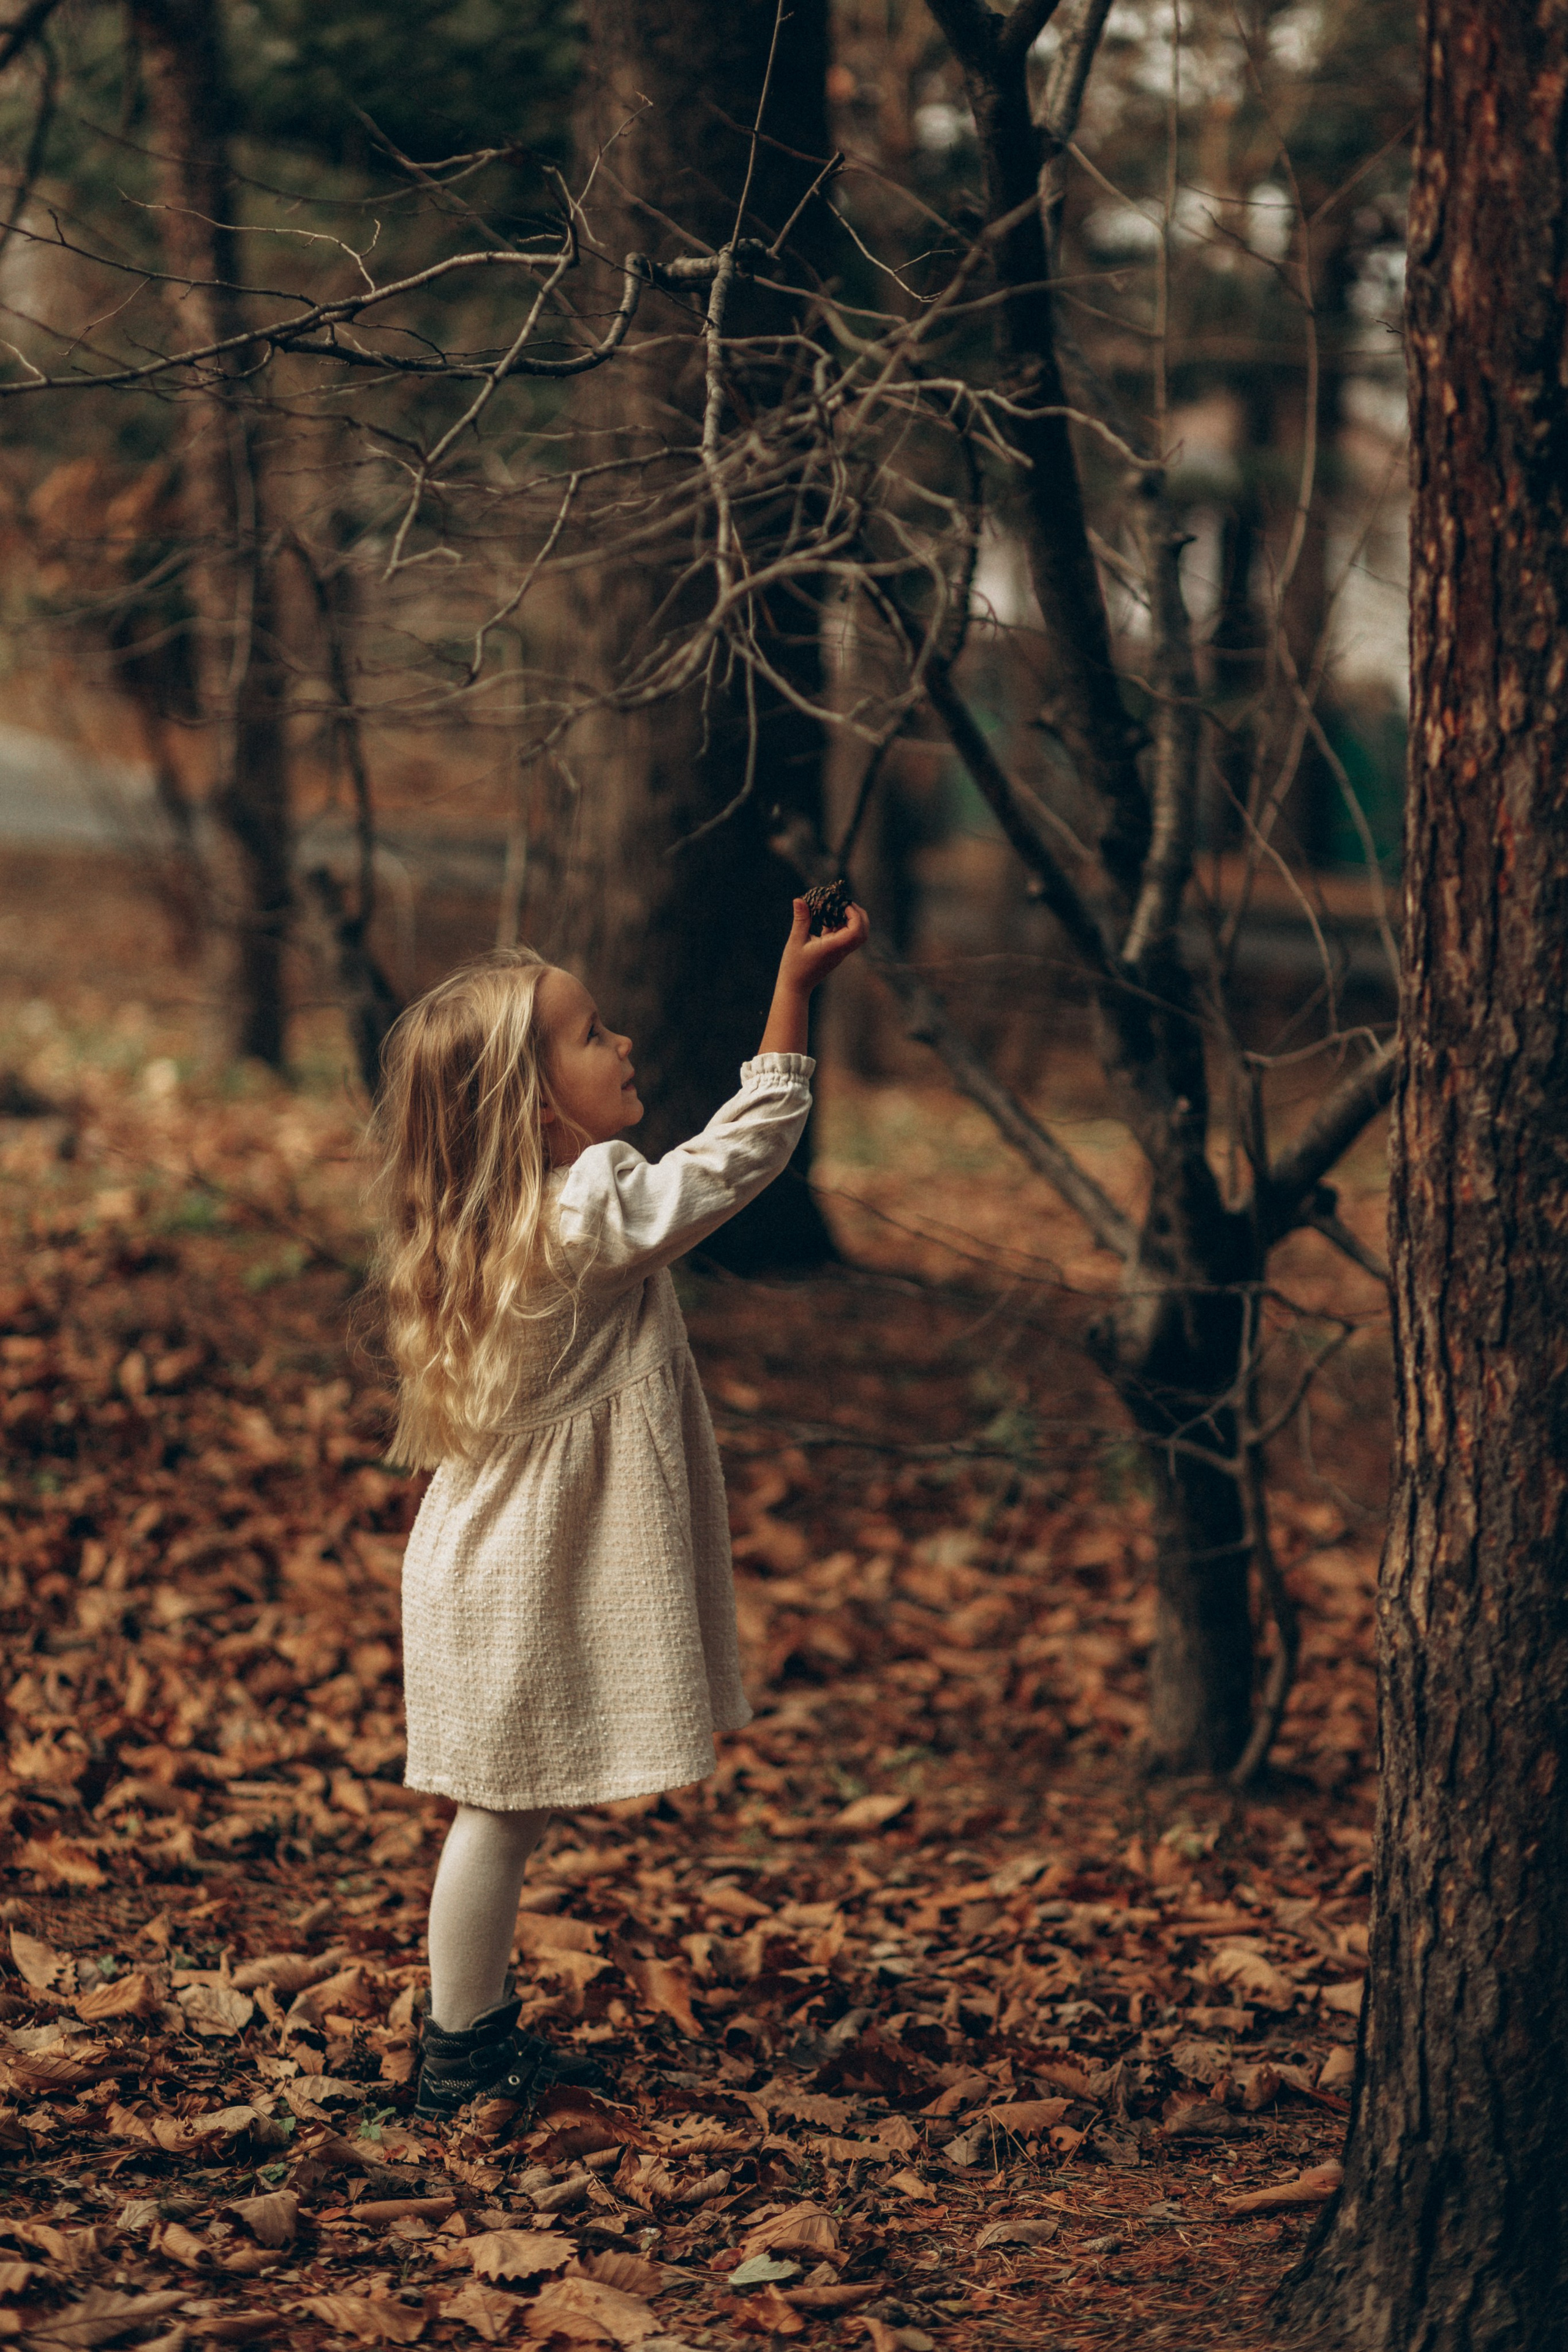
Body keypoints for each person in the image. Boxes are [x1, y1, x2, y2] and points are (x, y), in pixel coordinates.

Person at [370, 896, 869, 2119]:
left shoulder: (493, 1223)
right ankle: (457, 2057)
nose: (625, 1044)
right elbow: (735, 1160)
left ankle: (471, 2033)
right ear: (539, 1110)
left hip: (482, 1553)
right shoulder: (584, 1212)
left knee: (503, 1813)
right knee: (496, 1816)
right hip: (508, 1565)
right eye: (591, 1036)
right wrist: (790, 1004)